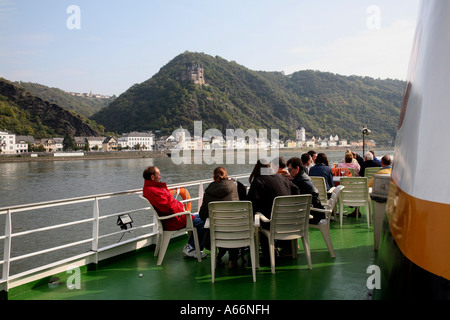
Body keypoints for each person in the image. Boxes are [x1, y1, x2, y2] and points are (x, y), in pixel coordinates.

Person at [142, 166, 206, 259]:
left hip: (172, 218)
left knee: (201, 217)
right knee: (204, 222)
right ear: (152, 177)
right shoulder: (154, 191)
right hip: (173, 221)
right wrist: (181, 207)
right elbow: (170, 208)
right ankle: (191, 248)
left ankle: (191, 246)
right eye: (159, 175)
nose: (160, 177)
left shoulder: (150, 189)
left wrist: (180, 208)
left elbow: (169, 205)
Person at [247, 159, 299, 261]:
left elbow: (251, 203)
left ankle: (269, 255)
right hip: (289, 220)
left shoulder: (259, 181)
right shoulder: (282, 178)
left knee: (259, 221)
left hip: (272, 223)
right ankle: (287, 248)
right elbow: (296, 189)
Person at [199, 167, 240, 268]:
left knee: (219, 227)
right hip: (237, 231)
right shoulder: (234, 187)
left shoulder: (208, 191)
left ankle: (219, 256)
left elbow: (202, 214)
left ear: (214, 177)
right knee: (232, 226)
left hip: (217, 233)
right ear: (227, 176)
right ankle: (232, 259)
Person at [286, 157, 326, 224]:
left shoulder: (299, 182)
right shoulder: (304, 177)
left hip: (312, 215)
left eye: (290, 170)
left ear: (297, 168)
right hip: (317, 212)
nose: (289, 172)